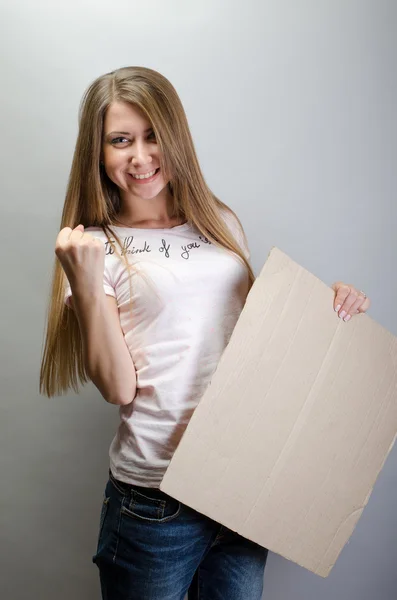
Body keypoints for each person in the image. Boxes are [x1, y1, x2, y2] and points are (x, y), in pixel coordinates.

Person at [40, 66, 371, 600]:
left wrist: (329, 309)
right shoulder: (92, 247)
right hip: (154, 499)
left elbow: (258, 343)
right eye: (120, 141)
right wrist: (81, 278)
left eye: (153, 136)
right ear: (98, 154)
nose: (141, 156)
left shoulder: (220, 223)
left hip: (239, 484)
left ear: (177, 137)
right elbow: (118, 388)